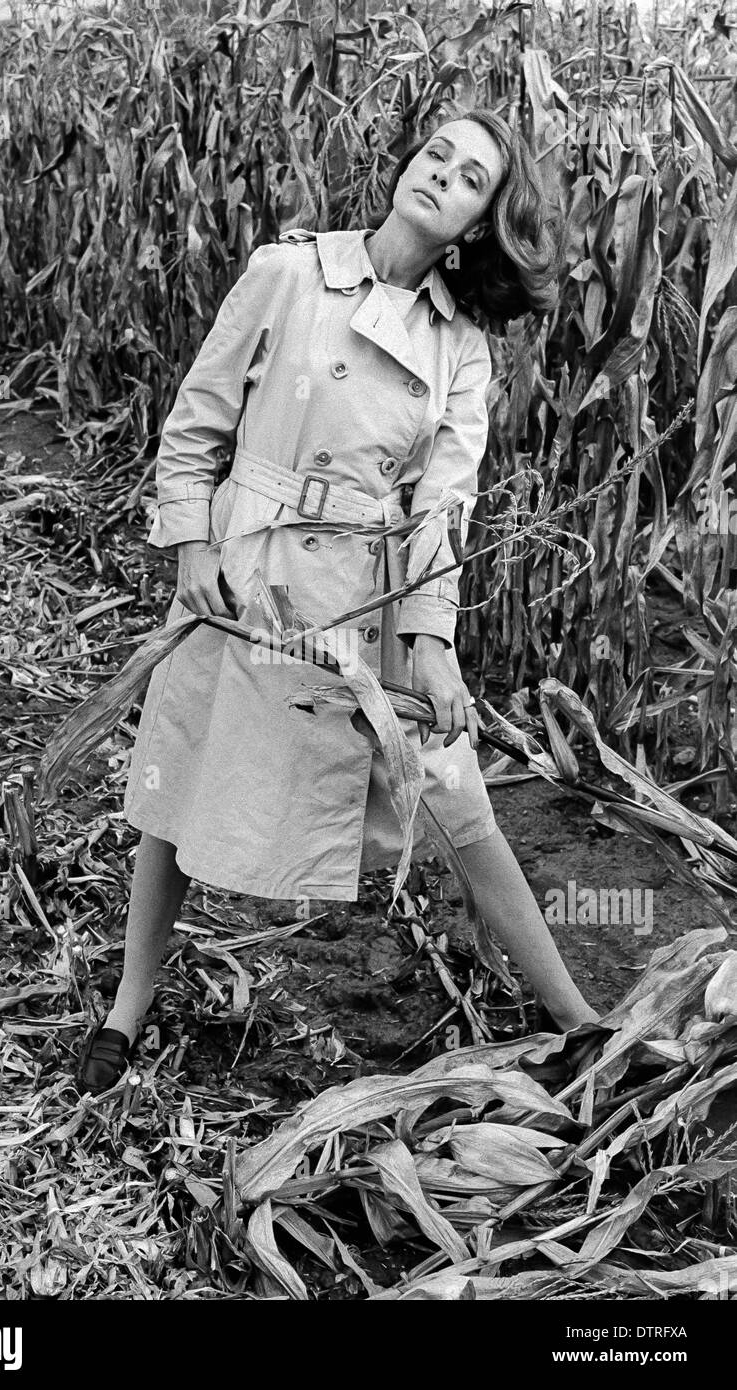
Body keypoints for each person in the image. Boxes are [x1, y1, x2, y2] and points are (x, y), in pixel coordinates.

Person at [77, 108, 600, 1093]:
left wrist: (431, 640)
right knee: (180, 790)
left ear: (480, 220)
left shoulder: (462, 349)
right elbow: (194, 420)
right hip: (248, 577)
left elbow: (442, 507)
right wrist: (191, 541)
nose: (440, 175)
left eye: (470, 177)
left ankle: (574, 1018)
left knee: (454, 792)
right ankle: (125, 1009)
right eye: (435, 154)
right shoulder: (289, 272)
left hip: (363, 593)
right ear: (407, 163)